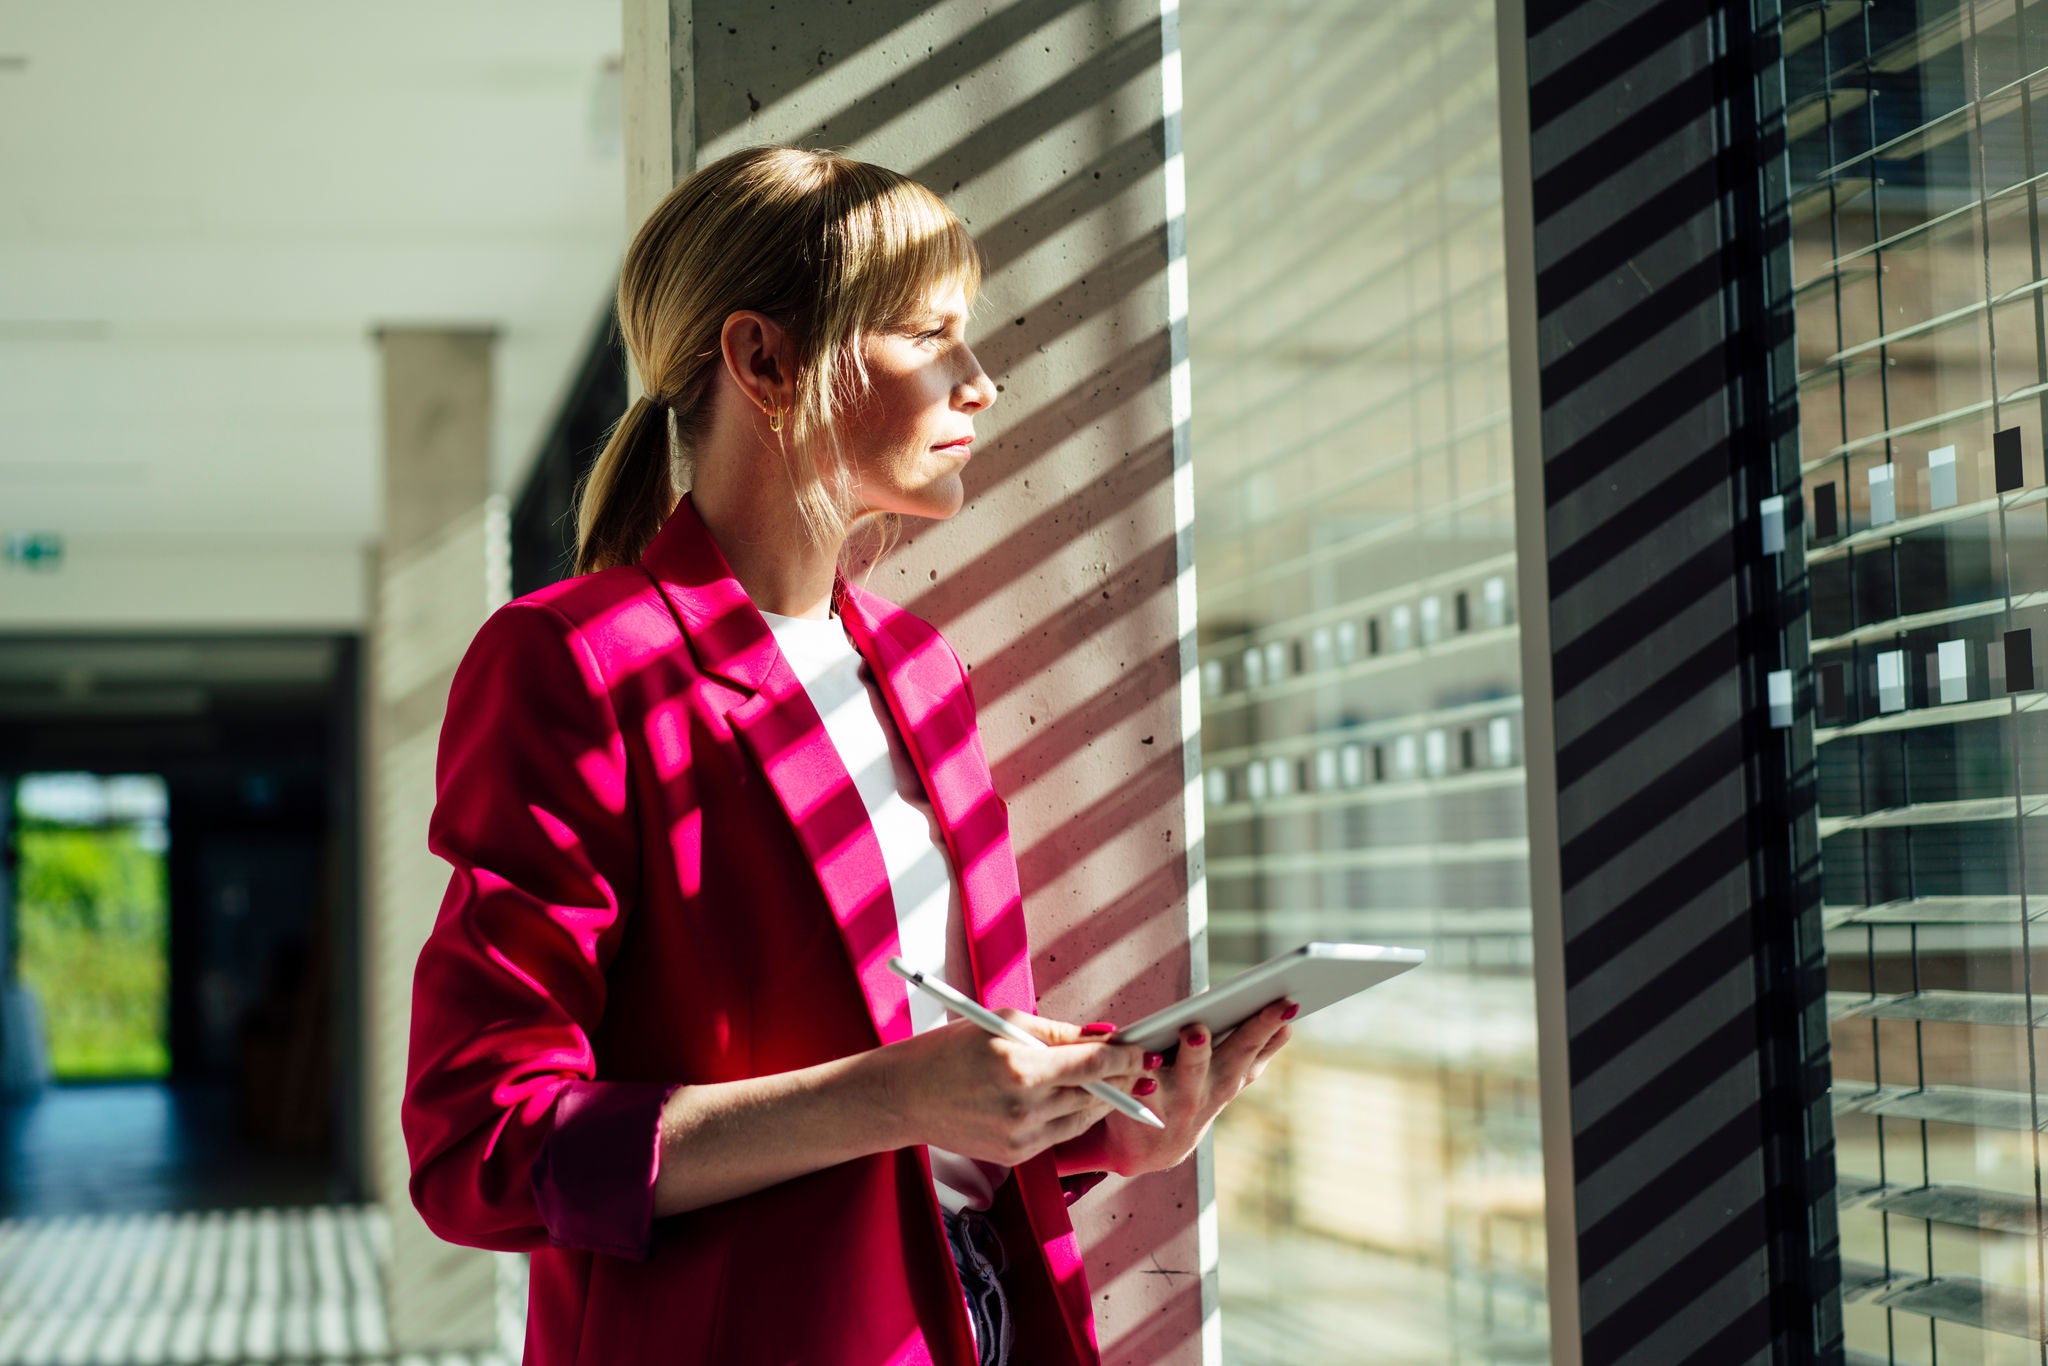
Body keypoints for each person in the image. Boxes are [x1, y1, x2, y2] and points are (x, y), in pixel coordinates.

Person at [400, 144, 1295, 1366]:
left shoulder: (921, 675)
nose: (978, 382)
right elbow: (482, 1149)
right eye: (930, 335)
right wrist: (895, 1093)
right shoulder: (575, 665)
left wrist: (1098, 1118)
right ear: (764, 360)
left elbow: (928, 1103)